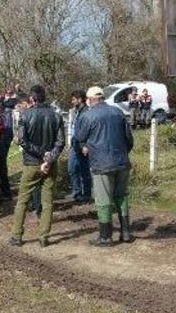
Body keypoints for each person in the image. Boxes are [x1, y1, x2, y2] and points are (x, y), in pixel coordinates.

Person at [74, 86, 135, 247]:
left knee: (103, 199)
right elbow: (129, 138)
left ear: (90, 99)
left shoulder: (88, 116)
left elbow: (79, 137)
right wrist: (123, 153)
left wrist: (85, 147)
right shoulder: (118, 112)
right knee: (121, 196)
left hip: (101, 163)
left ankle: (106, 236)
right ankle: (126, 232)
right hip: (122, 162)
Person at [9, 85, 64, 248]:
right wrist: (48, 157)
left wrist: (40, 155)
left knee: (22, 201)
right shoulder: (56, 115)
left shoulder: (25, 116)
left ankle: (17, 235)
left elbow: (22, 141)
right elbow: (61, 142)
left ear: (32, 99)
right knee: (47, 202)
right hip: (50, 163)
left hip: (31, 163)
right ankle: (43, 237)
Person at [67, 89, 91, 203]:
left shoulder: (86, 112)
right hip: (75, 144)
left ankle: (86, 194)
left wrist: (85, 145)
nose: (72, 102)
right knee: (72, 168)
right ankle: (76, 192)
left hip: (82, 145)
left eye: (73, 99)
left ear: (80, 99)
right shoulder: (78, 111)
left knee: (84, 170)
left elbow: (86, 131)